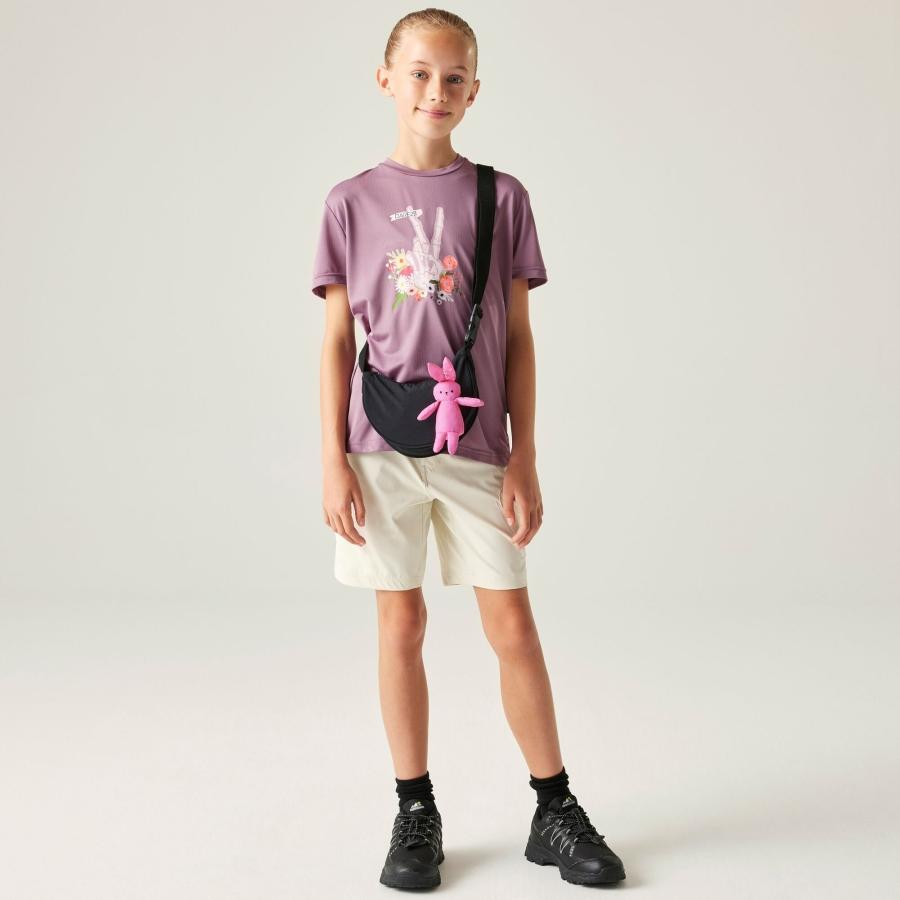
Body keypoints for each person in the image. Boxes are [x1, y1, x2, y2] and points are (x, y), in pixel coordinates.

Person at [311, 7, 626, 889]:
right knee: (400, 621)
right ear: (385, 79)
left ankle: (554, 807)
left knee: (511, 622)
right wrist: (332, 458)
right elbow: (337, 341)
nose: (435, 90)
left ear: (475, 91)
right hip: (379, 443)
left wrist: (525, 455)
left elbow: (518, 338)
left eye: (453, 78)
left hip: (477, 441)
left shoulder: (502, 196)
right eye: (418, 73)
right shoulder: (348, 203)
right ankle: (414, 809)